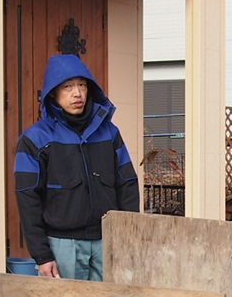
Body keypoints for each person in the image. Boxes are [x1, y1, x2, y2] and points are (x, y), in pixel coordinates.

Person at [13, 53, 139, 280]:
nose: (77, 93)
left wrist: (128, 238)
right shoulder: (35, 139)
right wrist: (42, 255)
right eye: (67, 87)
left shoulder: (110, 133)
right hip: (62, 245)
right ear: (53, 92)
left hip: (108, 240)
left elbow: (127, 184)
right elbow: (27, 197)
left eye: (82, 85)